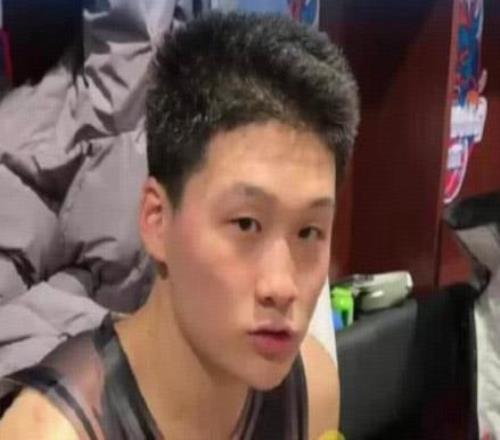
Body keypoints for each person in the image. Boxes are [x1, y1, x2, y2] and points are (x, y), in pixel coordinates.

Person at [0, 11, 359, 439]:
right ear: (156, 219)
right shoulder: (52, 431)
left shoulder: (312, 388)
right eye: (246, 224)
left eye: (309, 232)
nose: (282, 287)